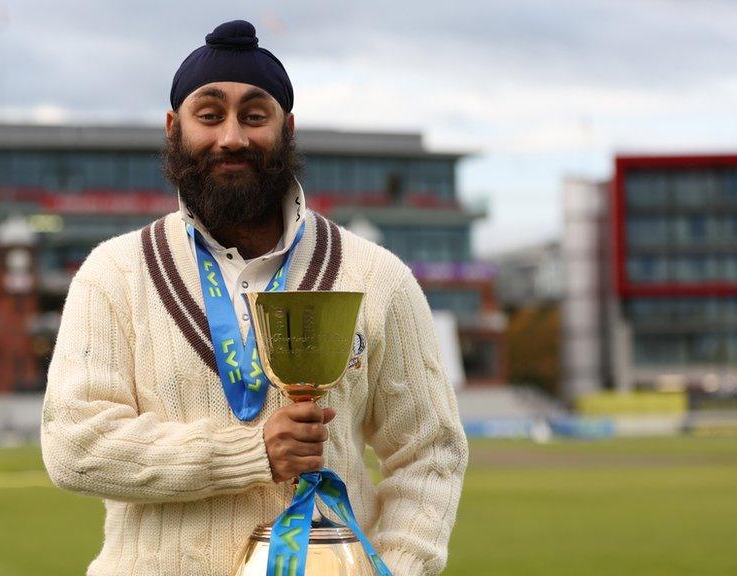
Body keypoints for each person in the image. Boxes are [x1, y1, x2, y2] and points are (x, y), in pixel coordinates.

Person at [41, 19, 468, 576]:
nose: (233, 137)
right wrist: (250, 454)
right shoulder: (115, 272)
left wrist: (402, 569)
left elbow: (430, 453)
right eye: (210, 115)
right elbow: (75, 445)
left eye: (255, 115)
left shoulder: (376, 276)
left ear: (287, 128)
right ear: (174, 127)